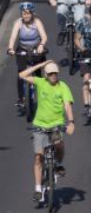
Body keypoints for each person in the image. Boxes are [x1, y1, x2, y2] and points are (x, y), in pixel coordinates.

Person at [19, 58, 73, 201]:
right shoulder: (40, 83)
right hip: (40, 125)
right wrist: (41, 65)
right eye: (50, 73)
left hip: (56, 124)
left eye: (55, 73)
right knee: (38, 157)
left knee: (58, 143)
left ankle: (58, 165)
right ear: (45, 75)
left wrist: (71, 122)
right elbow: (22, 75)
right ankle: (38, 189)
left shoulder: (63, 87)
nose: (53, 76)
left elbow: (67, 105)